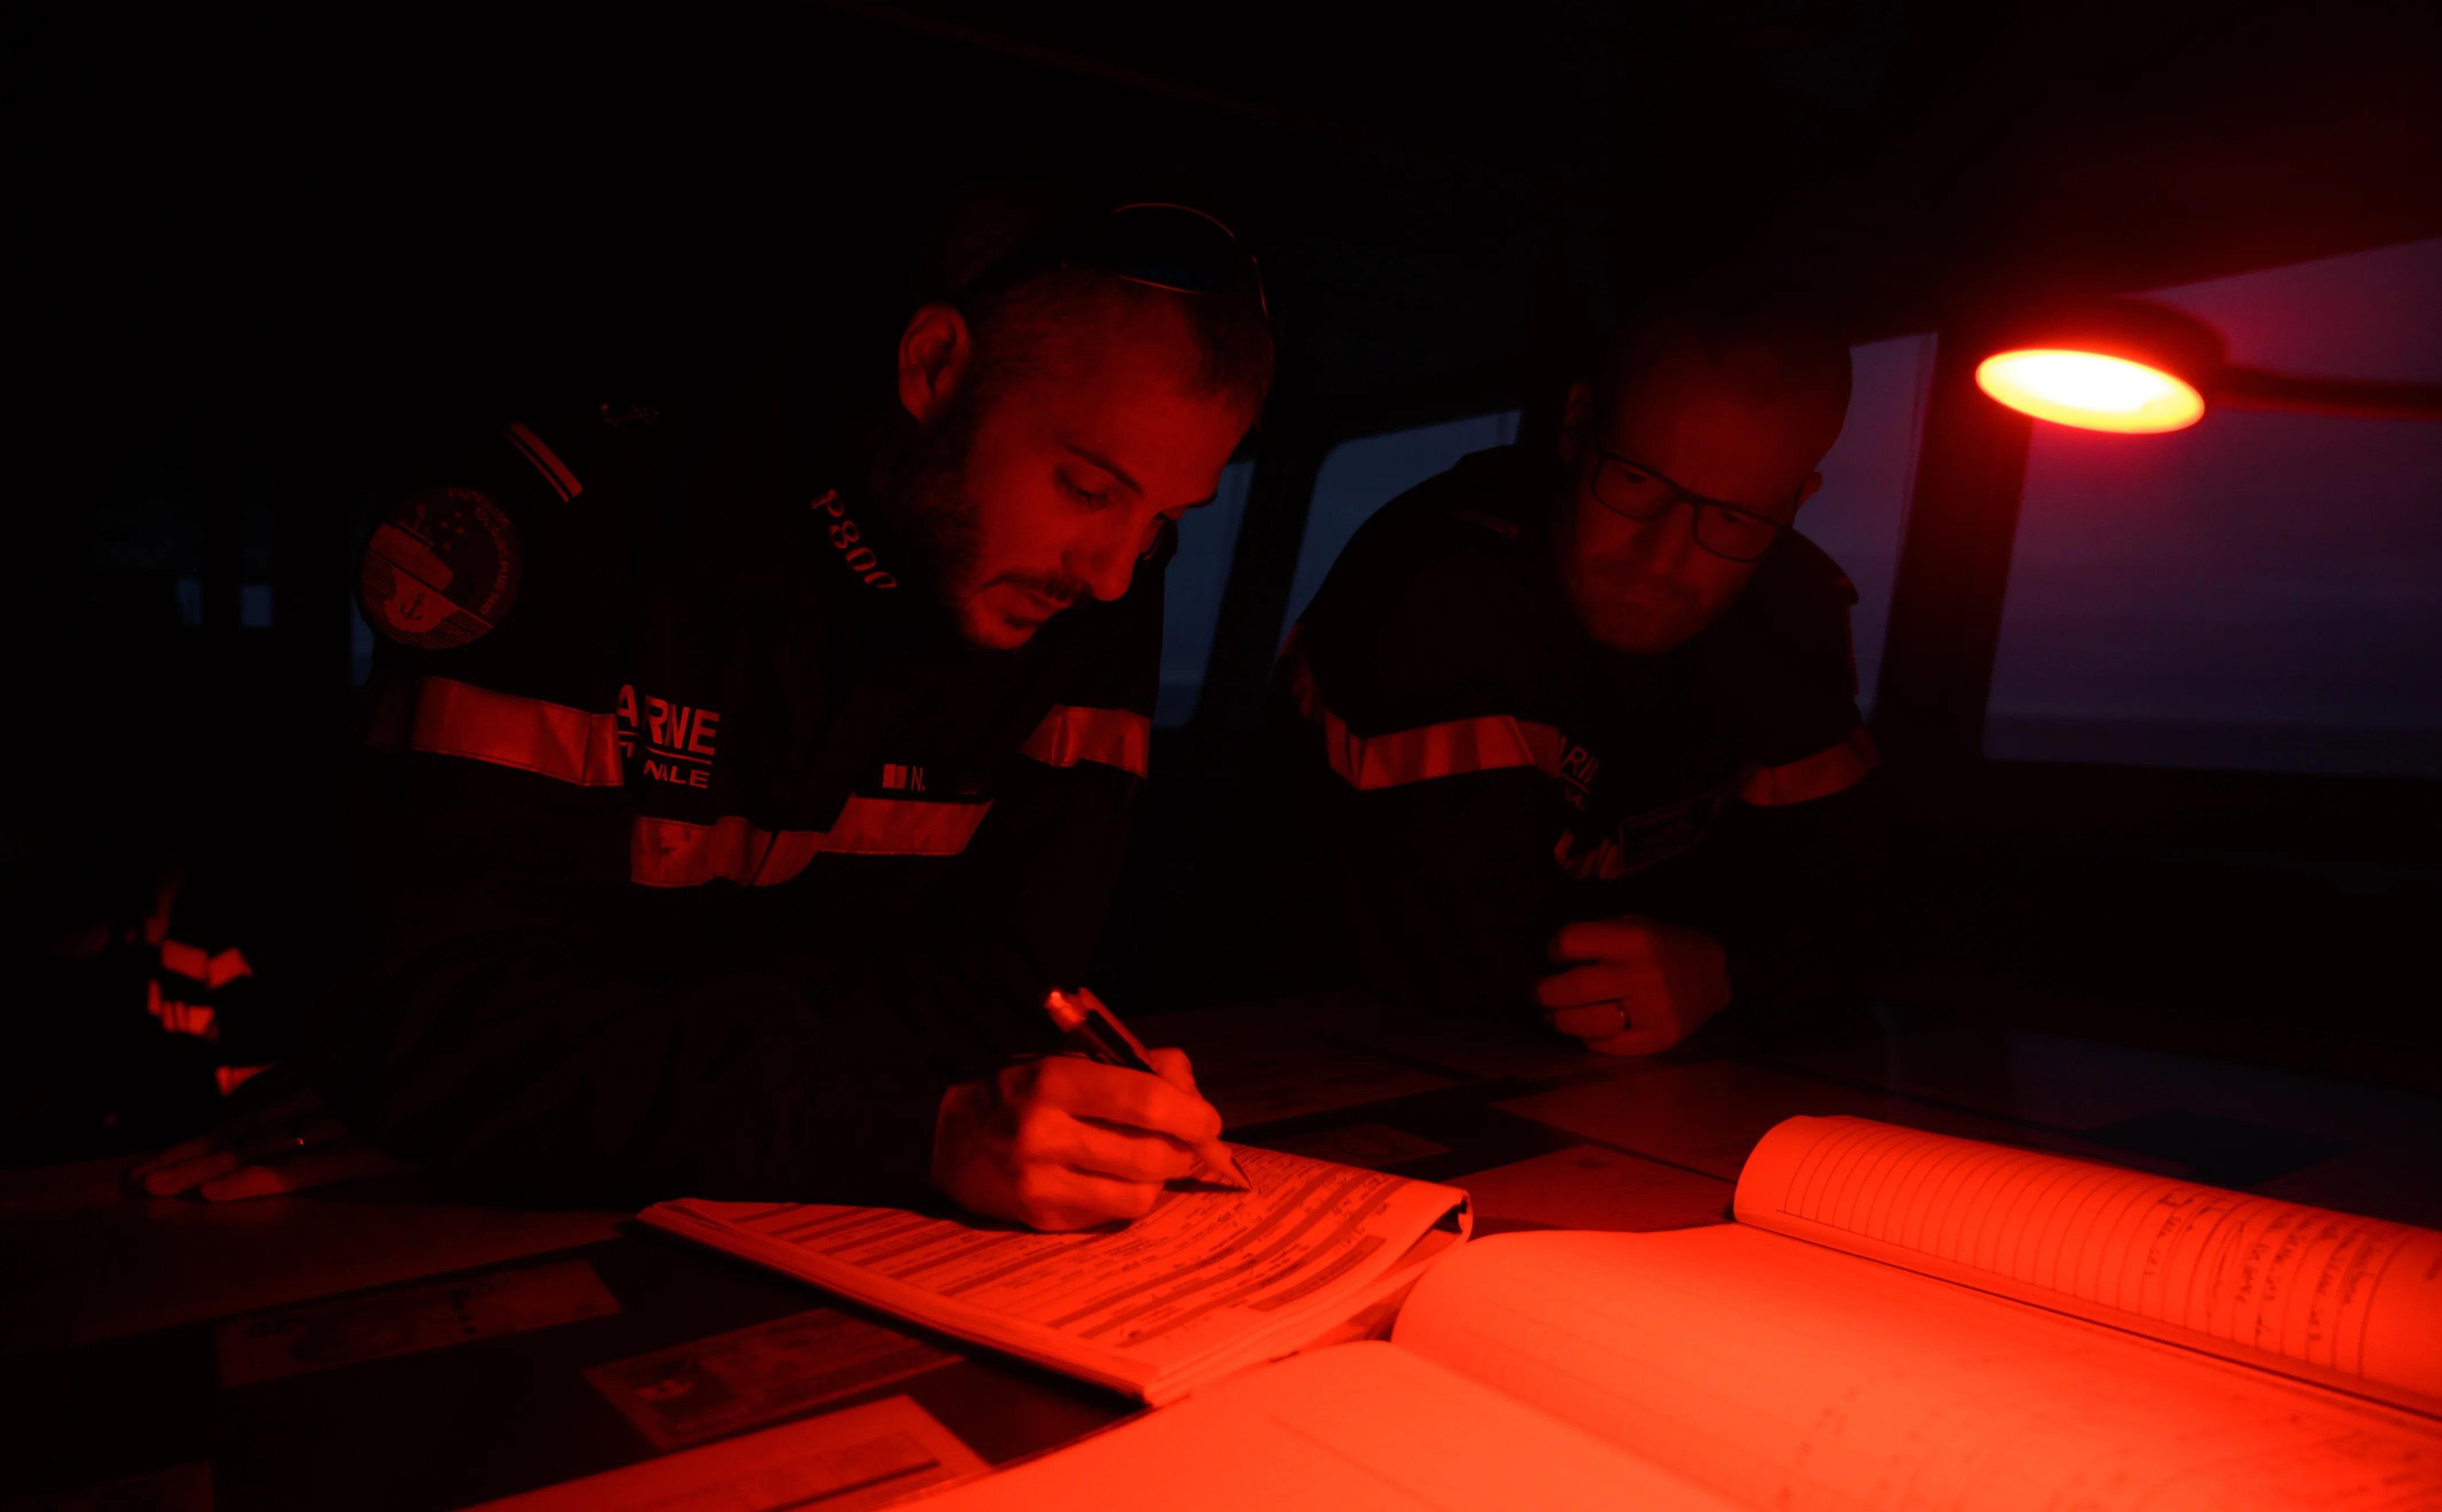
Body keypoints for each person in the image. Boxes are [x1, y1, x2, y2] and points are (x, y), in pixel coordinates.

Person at [134, 191, 1275, 1231]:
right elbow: (451, 1022)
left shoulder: (1089, 602)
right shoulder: (587, 532)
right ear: (933, 367)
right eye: (1086, 485)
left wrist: (567, 1110)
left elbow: (1001, 987)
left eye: (1164, 520)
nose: (1118, 571)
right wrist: (892, 1122)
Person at [1277, 296, 1877, 1055]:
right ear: (1575, 423)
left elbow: (1861, 909)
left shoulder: (1794, 614)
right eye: (1635, 481)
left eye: (1734, 518)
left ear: (1795, 505)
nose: (1661, 560)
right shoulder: (1440, 585)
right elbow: (1476, 980)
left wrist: (1727, 974)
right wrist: (1737, 966)